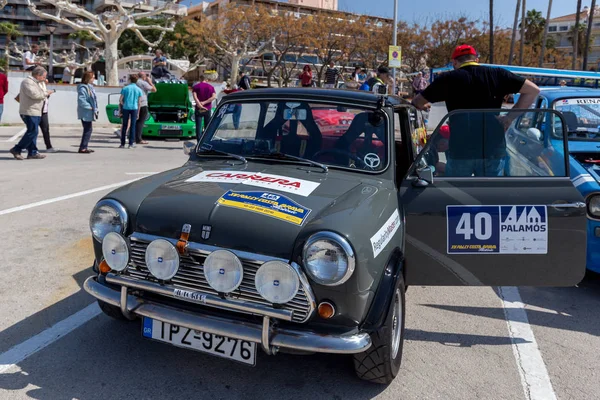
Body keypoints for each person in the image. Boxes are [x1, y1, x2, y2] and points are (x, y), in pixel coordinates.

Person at [411, 44, 540, 177]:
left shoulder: (447, 78)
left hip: (461, 148)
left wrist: (424, 106)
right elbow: (533, 90)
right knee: (488, 195)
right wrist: (509, 118)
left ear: (455, 62)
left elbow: (417, 102)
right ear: (476, 59)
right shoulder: (498, 74)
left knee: (457, 195)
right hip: (492, 148)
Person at [9, 67, 52, 160]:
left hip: (36, 111)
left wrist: (44, 87)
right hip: (29, 111)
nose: (45, 78)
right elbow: (35, 95)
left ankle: (32, 152)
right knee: (32, 131)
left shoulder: (37, 83)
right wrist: (46, 93)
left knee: (33, 132)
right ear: (38, 75)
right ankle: (17, 149)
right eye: (43, 77)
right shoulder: (27, 82)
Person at [119, 74, 144, 149]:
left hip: (126, 108)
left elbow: (120, 100)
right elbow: (139, 102)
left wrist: (124, 105)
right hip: (134, 108)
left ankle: (122, 143)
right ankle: (131, 143)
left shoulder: (125, 88)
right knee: (133, 126)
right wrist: (138, 112)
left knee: (124, 125)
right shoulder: (139, 90)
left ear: (130, 79)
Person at [77, 71, 98, 154]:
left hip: (89, 111)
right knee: (88, 129)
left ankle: (84, 146)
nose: (94, 79)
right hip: (86, 112)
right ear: (88, 78)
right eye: (92, 77)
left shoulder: (90, 87)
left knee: (88, 129)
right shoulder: (83, 88)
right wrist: (89, 107)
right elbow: (81, 100)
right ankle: (83, 147)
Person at [192, 75, 217, 140]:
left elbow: (195, 97)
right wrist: (204, 103)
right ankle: (205, 141)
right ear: (207, 79)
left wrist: (200, 105)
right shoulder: (211, 87)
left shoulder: (196, 87)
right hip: (207, 108)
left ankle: (198, 142)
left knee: (198, 126)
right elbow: (213, 97)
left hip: (198, 109)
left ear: (200, 79)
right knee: (207, 126)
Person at [135, 71, 156, 145]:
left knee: (136, 121)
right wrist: (150, 82)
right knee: (140, 122)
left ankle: (134, 137)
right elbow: (154, 90)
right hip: (143, 103)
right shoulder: (143, 83)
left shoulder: (135, 82)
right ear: (144, 76)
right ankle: (138, 139)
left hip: (134, 104)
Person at [39, 77, 57, 153]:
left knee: (46, 129)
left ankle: (49, 146)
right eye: (44, 78)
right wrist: (48, 93)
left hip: (44, 111)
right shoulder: (36, 85)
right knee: (32, 130)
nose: (46, 80)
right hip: (36, 111)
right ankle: (26, 146)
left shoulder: (44, 87)